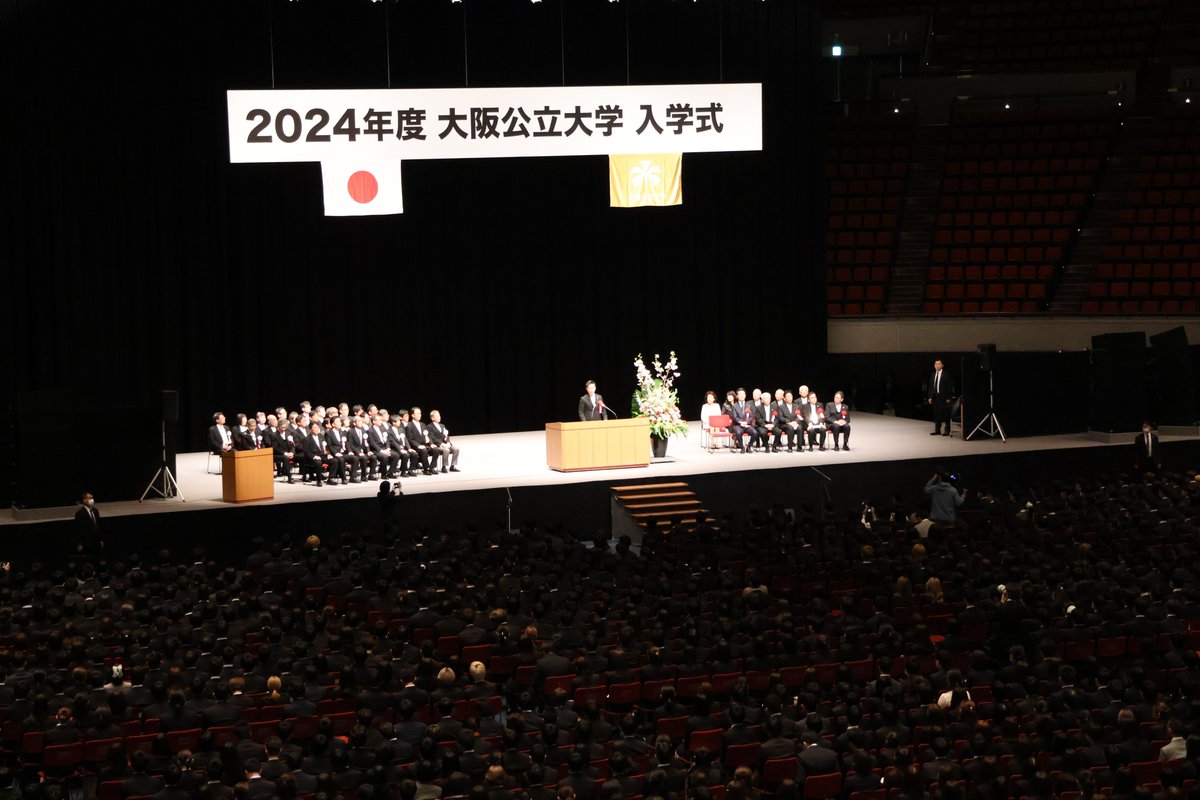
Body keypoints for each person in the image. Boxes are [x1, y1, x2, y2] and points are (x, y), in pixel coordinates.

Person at [325, 416, 358, 484]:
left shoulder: (342, 432)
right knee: (341, 459)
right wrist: (335, 453)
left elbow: (346, 443)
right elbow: (329, 445)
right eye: (338, 422)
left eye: (340, 421)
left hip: (343, 452)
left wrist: (349, 451)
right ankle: (344, 478)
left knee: (355, 458)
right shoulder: (328, 433)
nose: (340, 423)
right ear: (333, 424)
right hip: (336, 453)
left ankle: (353, 477)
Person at [927, 359, 956, 436]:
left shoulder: (946, 374)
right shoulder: (933, 374)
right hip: (935, 397)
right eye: (936, 364)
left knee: (945, 414)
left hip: (943, 397)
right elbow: (930, 387)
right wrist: (930, 397)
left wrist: (948, 398)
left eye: (939, 364)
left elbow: (949, 387)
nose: (937, 365)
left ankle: (947, 430)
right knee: (936, 414)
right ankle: (937, 430)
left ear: (942, 365)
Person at [405, 408, 436, 476]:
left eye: (420, 413)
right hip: (415, 446)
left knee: (436, 450)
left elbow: (427, 436)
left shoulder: (423, 424)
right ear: (412, 415)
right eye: (418, 413)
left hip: (424, 445)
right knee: (424, 450)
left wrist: (431, 443)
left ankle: (431, 467)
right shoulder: (409, 426)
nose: (420, 415)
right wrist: (418, 446)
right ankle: (425, 469)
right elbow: (410, 439)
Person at [727, 388, 757, 454]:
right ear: (737, 396)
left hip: (747, 424)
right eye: (740, 394)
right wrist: (741, 422)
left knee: (755, 433)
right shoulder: (734, 406)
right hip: (737, 425)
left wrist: (746, 422)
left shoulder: (749, 405)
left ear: (745, 395)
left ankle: (749, 446)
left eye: (743, 394)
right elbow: (734, 417)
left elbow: (751, 416)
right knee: (739, 432)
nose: (742, 396)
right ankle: (742, 447)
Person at [73, 491, 103, 556]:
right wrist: (79, 544)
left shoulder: (95, 511)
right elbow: (78, 529)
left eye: (92, 498)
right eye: (90, 498)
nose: (92, 500)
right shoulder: (80, 513)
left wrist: (100, 539)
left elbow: (98, 526)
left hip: (96, 542)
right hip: (87, 543)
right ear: (84, 501)